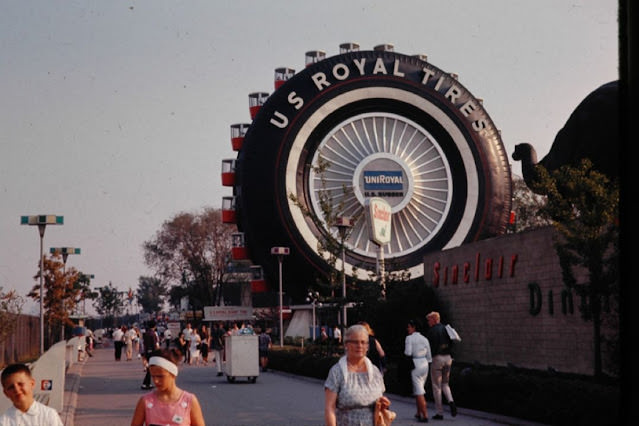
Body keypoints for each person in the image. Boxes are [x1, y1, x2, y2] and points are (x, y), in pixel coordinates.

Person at [324, 324, 390, 426]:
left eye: (363, 342)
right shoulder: (336, 372)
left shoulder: (375, 372)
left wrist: (383, 405)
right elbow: (330, 408)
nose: (360, 346)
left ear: (368, 346)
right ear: (346, 344)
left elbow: (380, 404)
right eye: (355, 342)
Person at [130, 349, 205, 426]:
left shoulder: (189, 401)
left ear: (173, 374)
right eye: (153, 376)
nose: (156, 381)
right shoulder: (146, 401)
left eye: (160, 376)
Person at [426, 311, 457, 420]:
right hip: (448, 358)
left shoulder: (431, 331)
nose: (428, 322)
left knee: (436, 387)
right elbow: (453, 342)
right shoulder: (446, 328)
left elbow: (429, 347)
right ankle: (451, 401)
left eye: (429, 320)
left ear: (434, 319)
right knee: (445, 383)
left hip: (437, 358)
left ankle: (439, 412)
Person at [405, 319, 432, 423]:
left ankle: (425, 415)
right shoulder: (425, 339)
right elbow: (429, 355)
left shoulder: (409, 338)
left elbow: (408, 352)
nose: (408, 329)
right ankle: (418, 412)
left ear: (414, 327)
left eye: (409, 327)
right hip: (425, 363)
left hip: (415, 363)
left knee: (419, 390)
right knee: (419, 388)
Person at [141, 320, 160, 389]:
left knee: (150, 368)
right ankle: (145, 383)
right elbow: (154, 344)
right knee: (151, 369)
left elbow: (144, 344)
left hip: (147, 352)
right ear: (155, 326)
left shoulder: (146, 333)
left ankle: (147, 383)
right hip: (152, 352)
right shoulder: (153, 334)